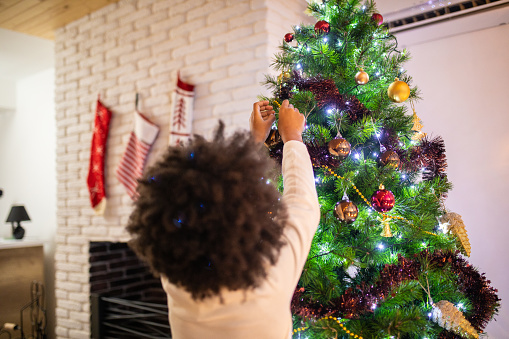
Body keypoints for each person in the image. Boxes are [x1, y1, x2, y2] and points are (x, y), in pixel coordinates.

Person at [126, 99, 320, 339]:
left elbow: (301, 207)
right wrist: (292, 136)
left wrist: (255, 142)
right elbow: (302, 202)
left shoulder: (175, 277)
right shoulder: (270, 273)